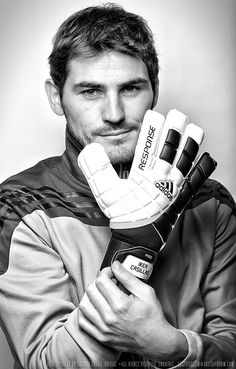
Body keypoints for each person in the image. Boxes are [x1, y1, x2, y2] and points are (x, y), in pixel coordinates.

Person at [0, 3, 235, 369]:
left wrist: (170, 346)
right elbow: (46, 363)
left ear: (154, 90)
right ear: (55, 96)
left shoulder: (211, 204)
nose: (114, 114)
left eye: (130, 88)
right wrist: (132, 247)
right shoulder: (21, 207)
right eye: (90, 91)